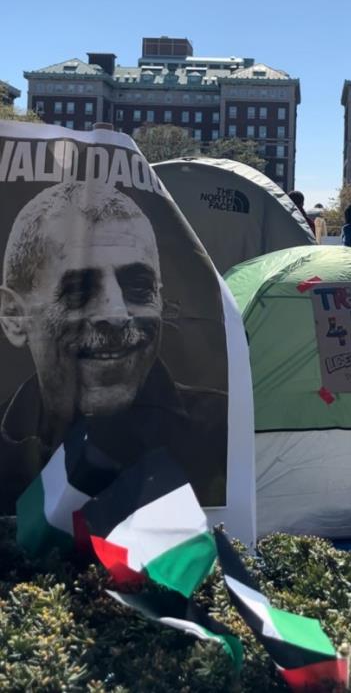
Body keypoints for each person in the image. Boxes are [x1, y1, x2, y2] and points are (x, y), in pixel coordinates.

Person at [0, 181, 225, 511]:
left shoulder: (222, 430)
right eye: (79, 291)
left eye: (137, 286)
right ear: (14, 316)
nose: (116, 314)